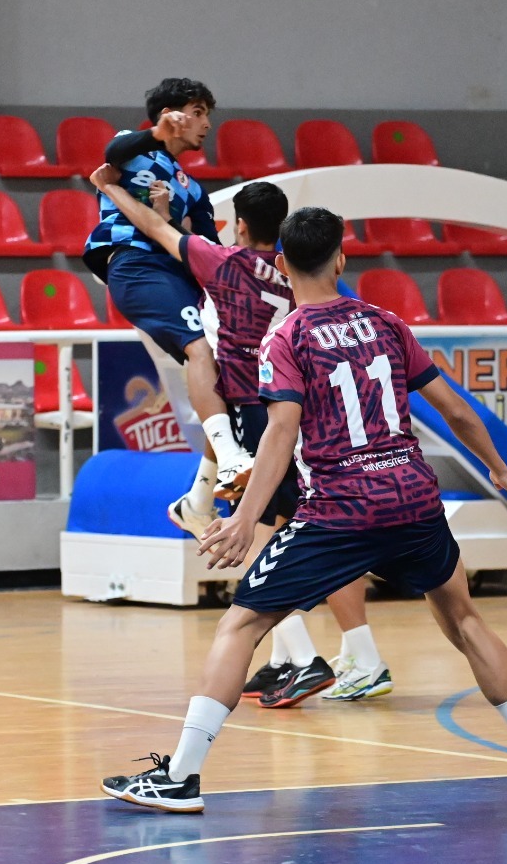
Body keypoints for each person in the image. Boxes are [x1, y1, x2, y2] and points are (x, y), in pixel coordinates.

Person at [100, 206, 507, 812]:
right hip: (413, 498)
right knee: (464, 621)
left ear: (281, 264)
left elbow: (280, 433)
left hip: (340, 509)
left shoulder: (286, 337)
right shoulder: (387, 322)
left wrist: (245, 516)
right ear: (342, 259)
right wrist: (500, 468)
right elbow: (457, 410)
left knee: (241, 626)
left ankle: (181, 777)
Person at [90, 171, 394, 707]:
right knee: (302, 527)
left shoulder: (223, 262)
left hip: (260, 414)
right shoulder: (295, 273)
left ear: (240, 226)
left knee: (265, 534)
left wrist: (111, 190)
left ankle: (326, 659)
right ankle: (305, 656)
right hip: (304, 410)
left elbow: (155, 232)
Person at [81, 77, 253, 498]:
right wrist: (157, 134)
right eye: (198, 113)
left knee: (227, 369)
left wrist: (170, 218)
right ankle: (231, 459)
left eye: (207, 115)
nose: (207, 124)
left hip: (176, 275)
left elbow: (206, 249)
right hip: (135, 265)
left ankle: (199, 499)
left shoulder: (193, 189)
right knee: (200, 348)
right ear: (170, 115)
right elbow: (114, 152)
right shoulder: (133, 147)